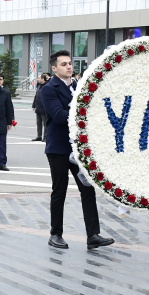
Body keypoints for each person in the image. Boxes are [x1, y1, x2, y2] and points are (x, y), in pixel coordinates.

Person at [41, 51, 114, 250]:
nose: (69, 67)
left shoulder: (78, 86)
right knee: (60, 191)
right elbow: (58, 115)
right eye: (63, 64)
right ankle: (55, 234)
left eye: (70, 63)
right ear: (54, 68)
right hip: (58, 148)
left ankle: (93, 235)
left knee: (87, 189)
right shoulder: (49, 89)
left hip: (80, 149)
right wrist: (86, 112)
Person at [32, 73, 47, 141]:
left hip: (44, 108)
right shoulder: (39, 86)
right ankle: (39, 136)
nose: (38, 79)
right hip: (38, 107)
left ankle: (45, 136)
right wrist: (33, 105)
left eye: (39, 78)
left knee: (45, 123)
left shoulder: (47, 86)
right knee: (38, 123)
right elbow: (36, 96)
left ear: (43, 79)